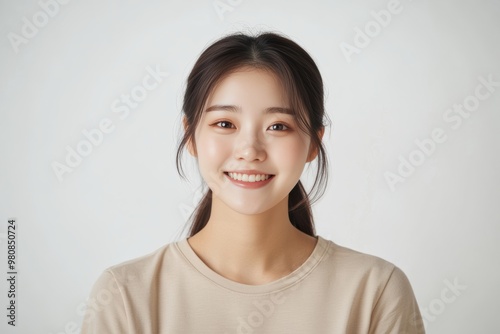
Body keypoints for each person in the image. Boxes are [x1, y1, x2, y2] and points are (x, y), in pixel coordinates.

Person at [81, 31, 425, 333]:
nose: (249, 151)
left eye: (278, 126)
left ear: (313, 144)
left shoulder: (375, 291)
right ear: (191, 136)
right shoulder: (125, 295)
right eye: (225, 124)